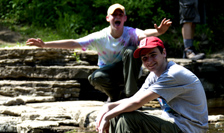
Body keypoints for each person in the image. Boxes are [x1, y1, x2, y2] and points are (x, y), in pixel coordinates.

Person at [82, 36, 208, 133]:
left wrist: (108, 115)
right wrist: (107, 107)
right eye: (144, 58)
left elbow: (138, 103)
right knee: (118, 116)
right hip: (176, 130)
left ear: (164, 53)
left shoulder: (173, 74)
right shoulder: (155, 74)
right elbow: (132, 99)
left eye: (153, 54)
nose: (149, 61)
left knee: (127, 119)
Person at [26, 3, 172, 102]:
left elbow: (145, 33)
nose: (117, 17)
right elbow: (74, 42)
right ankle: (115, 97)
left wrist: (159, 31)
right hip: (110, 74)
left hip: (130, 73)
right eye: (114, 15)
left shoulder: (131, 33)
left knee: (130, 51)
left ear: (125, 18)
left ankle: (131, 97)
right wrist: (45, 44)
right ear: (108, 18)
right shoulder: (100, 37)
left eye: (121, 15)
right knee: (95, 78)